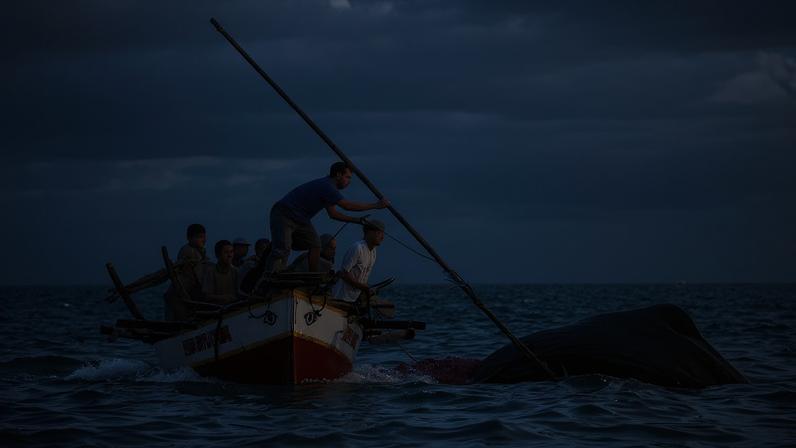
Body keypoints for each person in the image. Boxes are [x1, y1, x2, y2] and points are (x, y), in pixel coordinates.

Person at [264, 161, 389, 273]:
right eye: (347, 177)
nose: (349, 182)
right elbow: (347, 206)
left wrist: (356, 220)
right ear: (338, 175)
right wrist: (376, 205)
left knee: (315, 245)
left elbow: (333, 214)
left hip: (301, 219)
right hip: (285, 213)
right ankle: (269, 277)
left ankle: (312, 277)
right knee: (282, 249)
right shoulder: (327, 186)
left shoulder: (328, 190)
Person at [332, 219, 385, 303]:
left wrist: (366, 288)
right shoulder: (357, 248)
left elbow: (364, 276)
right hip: (341, 297)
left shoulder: (374, 252)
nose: (382, 237)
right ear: (369, 232)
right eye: (379, 233)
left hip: (354, 299)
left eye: (383, 234)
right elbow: (344, 274)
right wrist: (363, 287)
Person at [164, 223, 208, 320]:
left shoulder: (199, 251)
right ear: (189, 238)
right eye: (199, 237)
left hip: (186, 293)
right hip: (179, 294)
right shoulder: (189, 251)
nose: (203, 240)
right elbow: (200, 275)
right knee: (179, 320)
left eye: (204, 237)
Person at [201, 240, 239, 305]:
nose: (229, 255)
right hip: (218, 309)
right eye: (226, 252)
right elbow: (206, 296)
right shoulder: (211, 272)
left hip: (234, 308)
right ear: (218, 255)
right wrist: (224, 297)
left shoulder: (235, 271)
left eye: (231, 252)